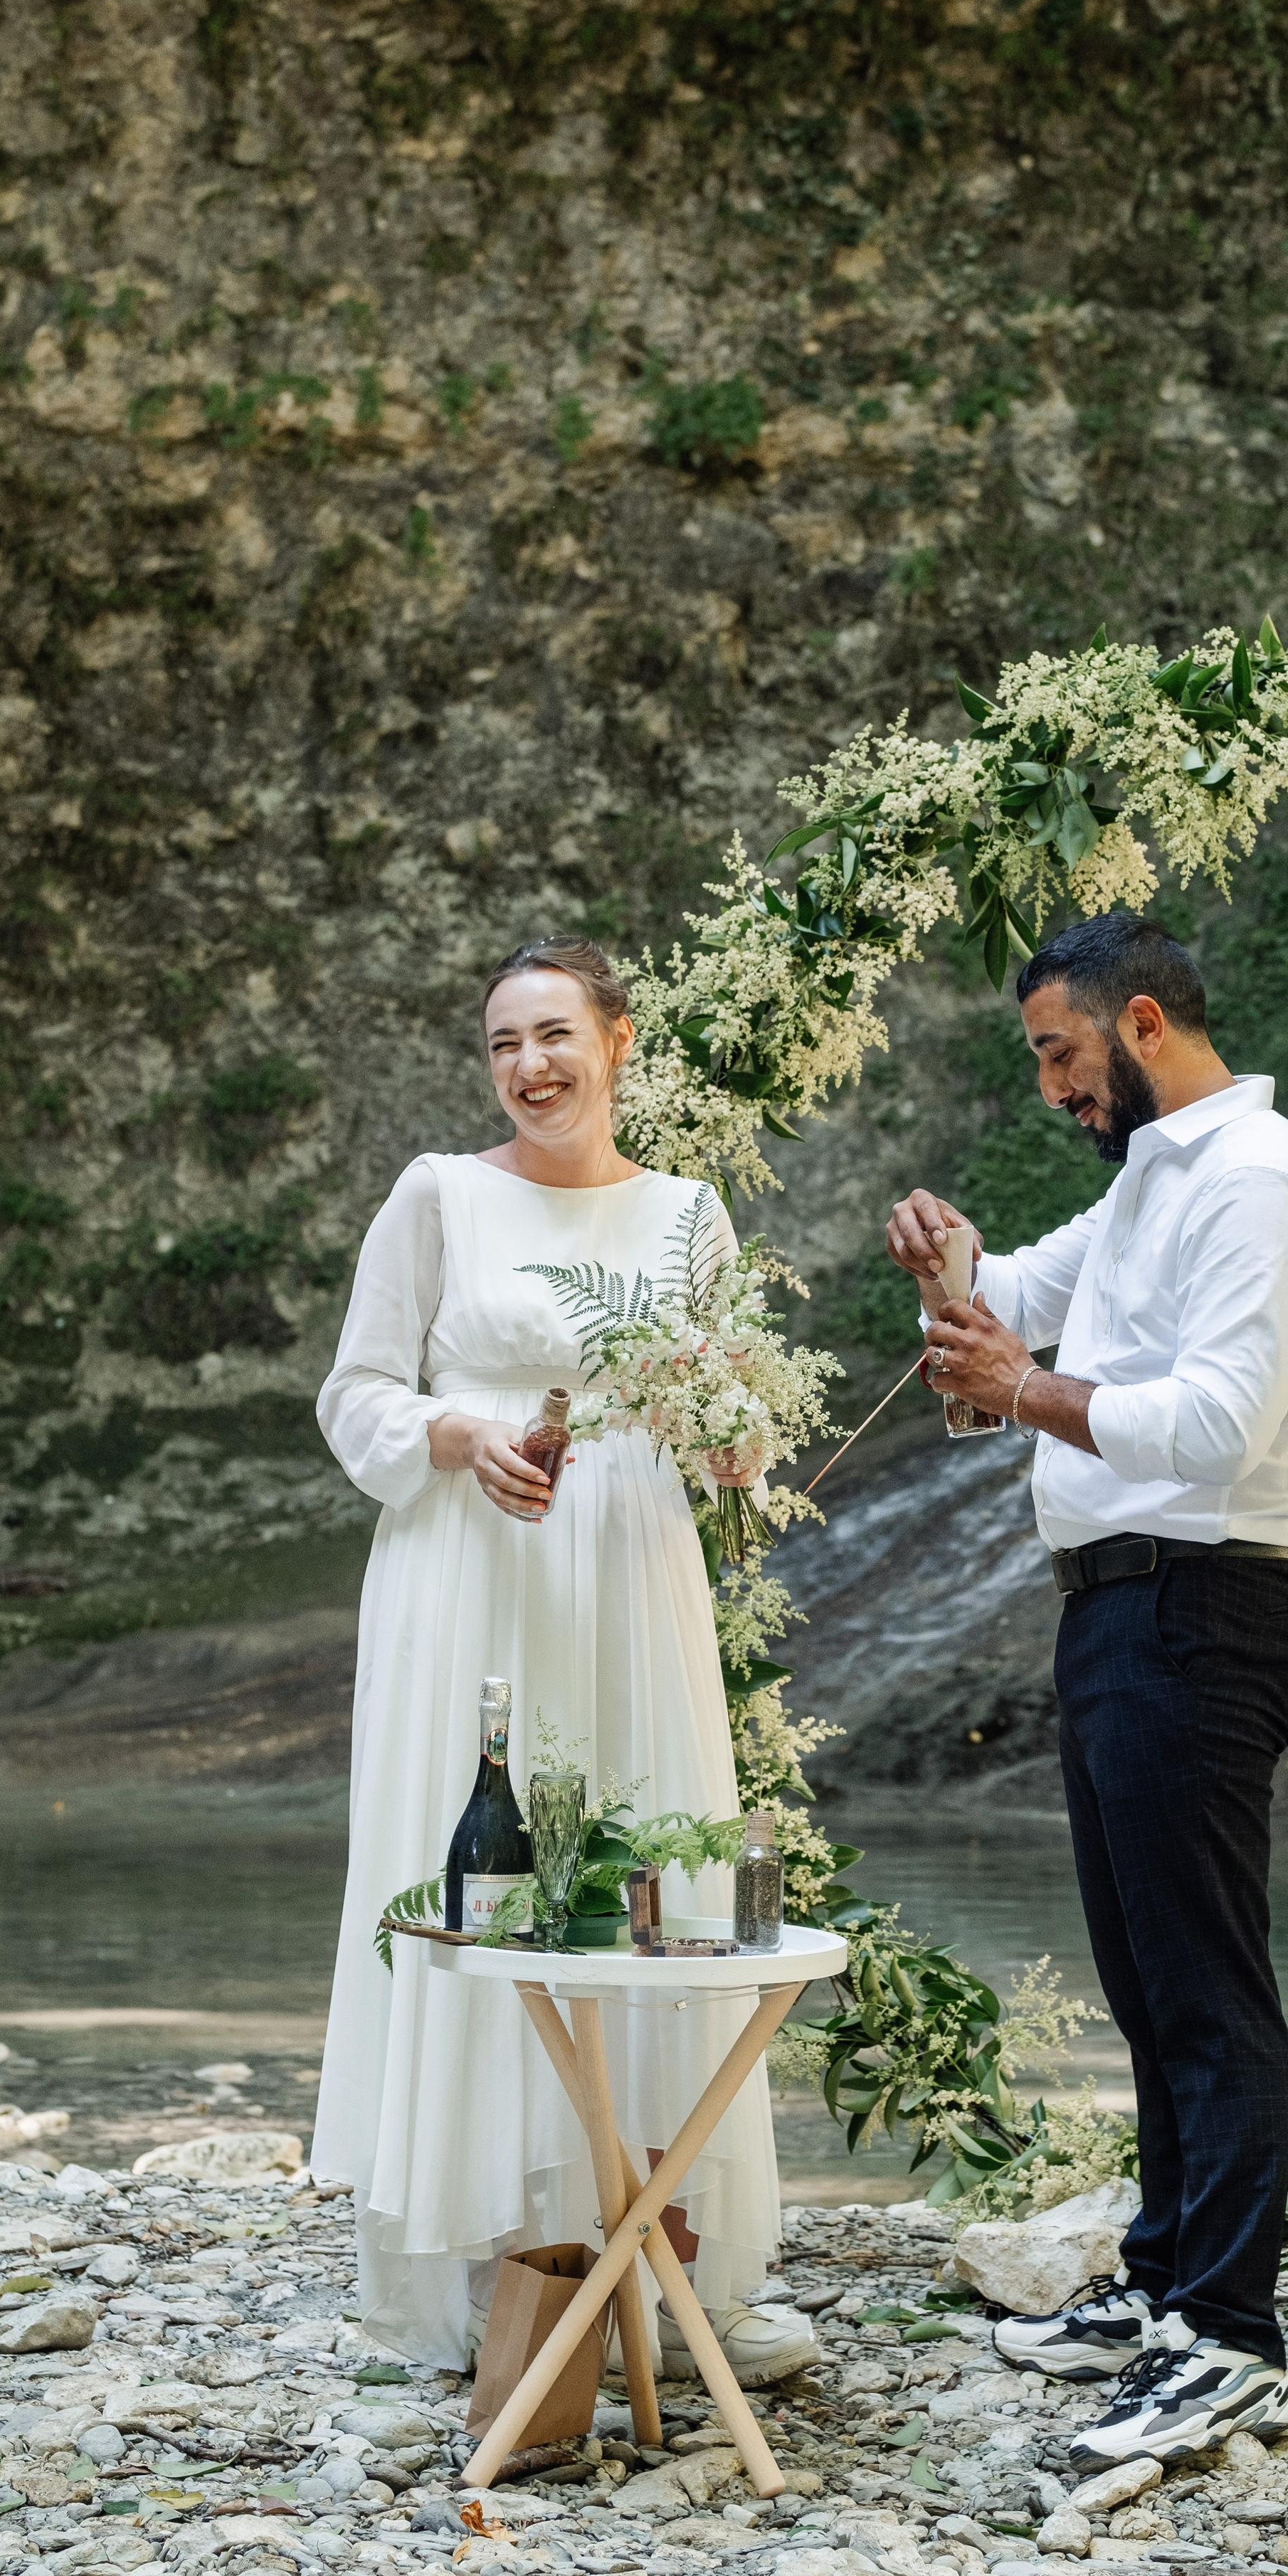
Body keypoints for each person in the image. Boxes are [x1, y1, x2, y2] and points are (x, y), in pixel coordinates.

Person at [885, 912, 1288, 2466]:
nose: (1052, 1087)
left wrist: (1020, 1390)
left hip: (1204, 1605)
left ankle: (1229, 2341)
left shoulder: (1259, 1183)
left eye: (1062, 1052)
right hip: (1124, 1608)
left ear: (1143, 1022)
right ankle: (1163, 2285)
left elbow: (1218, 1425)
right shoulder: (1157, 1179)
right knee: (1150, 1979)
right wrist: (950, 1266)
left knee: (1206, 1987)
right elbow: (1014, 1297)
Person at [312, 934, 814, 2384]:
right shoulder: (437, 1195)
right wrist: (461, 1435)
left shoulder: (688, 1214)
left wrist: (737, 1442)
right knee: (475, 1863)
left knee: (650, 1858)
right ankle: (475, 2255)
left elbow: (731, 1413)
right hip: (467, 1564)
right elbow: (353, 1394)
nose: (529, 1065)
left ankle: (652, 2245)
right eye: (503, 1044)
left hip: (631, 1571)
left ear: (617, 1041)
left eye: (553, 1035)